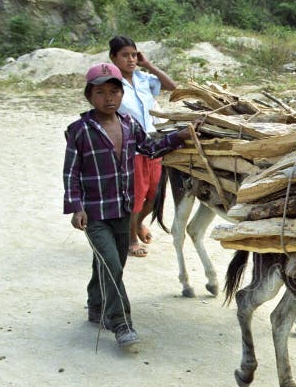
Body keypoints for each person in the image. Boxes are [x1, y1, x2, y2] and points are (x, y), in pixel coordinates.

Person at [63, 62, 198, 349]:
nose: (108, 98)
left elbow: (150, 149)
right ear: (89, 96)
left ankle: (95, 304)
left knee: (111, 262)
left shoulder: (129, 125)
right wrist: (76, 206)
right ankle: (121, 323)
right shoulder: (80, 130)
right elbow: (71, 172)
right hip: (94, 212)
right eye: (101, 93)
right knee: (112, 264)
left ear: (122, 95)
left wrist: (178, 138)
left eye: (114, 92)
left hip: (124, 210)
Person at [109, 35, 178, 257]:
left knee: (154, 194)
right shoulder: (111, 84)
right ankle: (130, 241)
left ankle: (138, 224)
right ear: (113, 58)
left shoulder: (142, 78)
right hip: (130, 147)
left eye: (133, 55)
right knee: (135, 196)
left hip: (153, 144)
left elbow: (173, 88)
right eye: (124, 55)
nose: (130, 60)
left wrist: (147, 64)